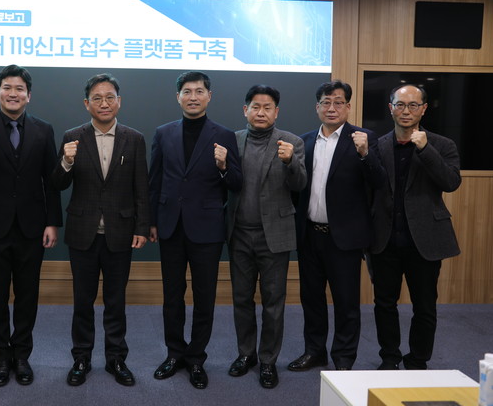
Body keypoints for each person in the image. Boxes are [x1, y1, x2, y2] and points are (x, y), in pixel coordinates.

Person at [0, 64, 61, 387]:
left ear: (28, 95)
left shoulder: (43, 130)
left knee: (28, 295)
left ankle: (22, 355)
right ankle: (1, 356)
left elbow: (51, 181)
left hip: (32, 227)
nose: (13, 93)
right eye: (7, 88)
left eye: (19, 89)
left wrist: (52, 222)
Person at [51, 73, 149, 387]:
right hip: (83, 232)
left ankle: (116, 358)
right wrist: (66, 162)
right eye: (97, 98)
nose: (104, 103)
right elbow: (58, 183)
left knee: (115, 301)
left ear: (119, 101)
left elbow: (141, 188)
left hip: (121, 232)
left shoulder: (134, 138)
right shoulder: (72, 136)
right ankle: (81, 358)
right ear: (87, 103)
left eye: (109, 97)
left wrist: (141, 227)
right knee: (83, 301)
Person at [148, 71, 242, 389]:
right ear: (178, 97)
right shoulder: (163, 133)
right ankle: (174, 353)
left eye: (199, 91)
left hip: (207, 228)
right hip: (171, 226)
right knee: (172, 295)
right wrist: (151, 221)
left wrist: (224, 166)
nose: (193, 97)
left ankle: (196, 358)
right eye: (187, 91)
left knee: (204, 297)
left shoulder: (224, 135)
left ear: (209, 96)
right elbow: (154, 180)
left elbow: (237, 183)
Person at [288, 80, 385, 372]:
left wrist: (365, 154)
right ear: (317, 107)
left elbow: (379, 182)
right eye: (326, 102)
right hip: (309, 235)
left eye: (338, 102)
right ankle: (314, 351)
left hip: (344, 238)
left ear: (348, 107)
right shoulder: (304, 142)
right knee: (311, 300)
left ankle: (343, 359)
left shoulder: (364, 139)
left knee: (346, 302)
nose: (332, 108)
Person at [369, 84, 461, 370]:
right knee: (384, 304)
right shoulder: (377, 145)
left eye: (413, 105)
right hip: (384, 240)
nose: (406, 111)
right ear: (391, 108)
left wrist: (425, 149)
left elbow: (451, 182)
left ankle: (418, 360)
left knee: (425, 305)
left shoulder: (442, 145)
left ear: (424, 109)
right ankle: (389, 358)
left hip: (425, 240)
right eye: (400, 105)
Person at [226, 85, 306, 389]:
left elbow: (300, 184)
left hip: (275, 234)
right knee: (241, 299)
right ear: (245, 110)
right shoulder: (232, 140)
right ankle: (246, 354)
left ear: (276, 112)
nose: (261, 112)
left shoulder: (292, 142)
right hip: (239, 233)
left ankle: (268, 360)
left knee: (273, 302)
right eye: (255, 107)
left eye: (267, 107)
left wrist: (290, 162)